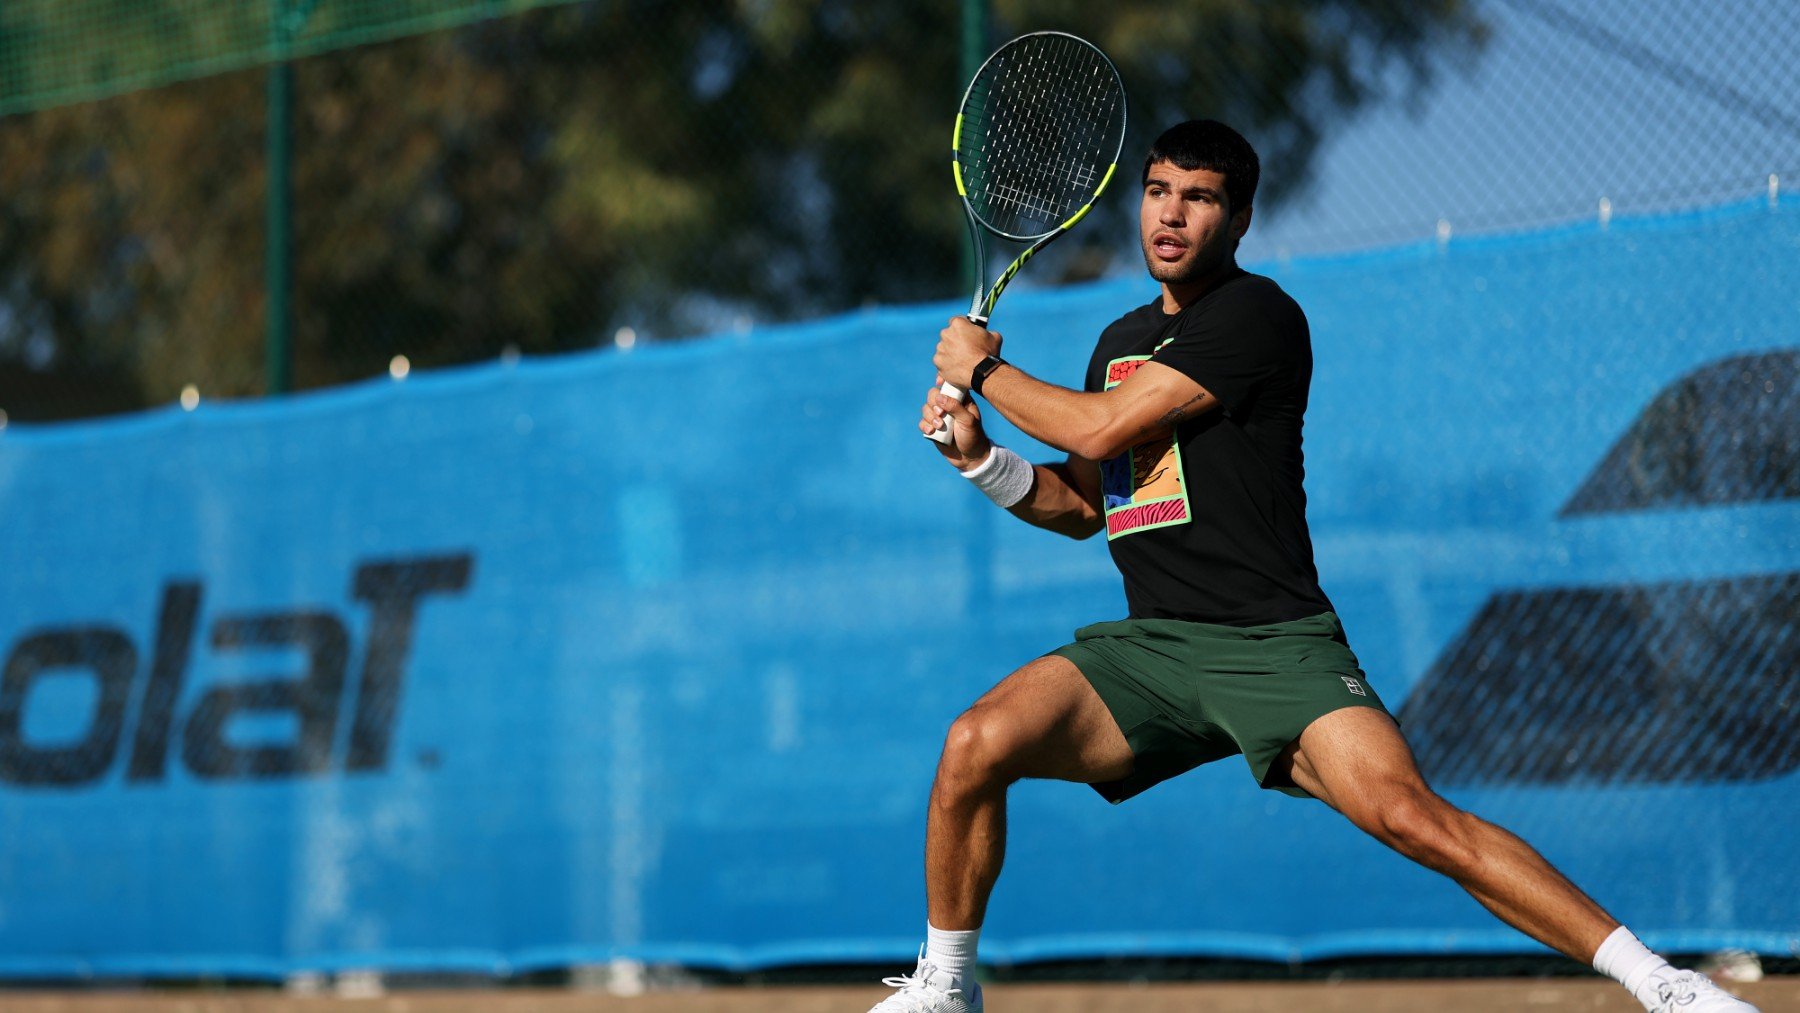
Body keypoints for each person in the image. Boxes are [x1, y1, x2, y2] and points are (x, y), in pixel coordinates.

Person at [866, 120, 1758, 1013]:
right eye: (1158, 191)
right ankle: (947, 986)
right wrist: (982, 462)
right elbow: (1085, 504)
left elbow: (1099, 428)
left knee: (1414, 819)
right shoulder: (1119, 340)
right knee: (975, 743)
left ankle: (1665, 986)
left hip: (1274, 646)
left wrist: (985, 372)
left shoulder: (1256, 316)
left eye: (1199, 198)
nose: (1171, 215)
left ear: (1240, 218)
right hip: (1153, 650)